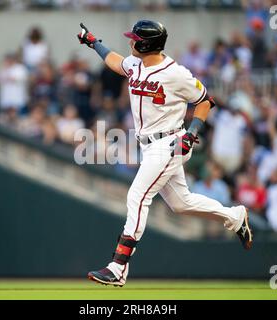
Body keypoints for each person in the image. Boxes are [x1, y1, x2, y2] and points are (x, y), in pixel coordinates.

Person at [77, 20, 253, 287]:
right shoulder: (136, 64)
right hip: (149, 146)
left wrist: (192, 133)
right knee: (181, 203)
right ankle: (234, 216)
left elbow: (205, 101)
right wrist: (93, 42)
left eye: (134, 38)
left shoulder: (176, 73)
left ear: (146, 44)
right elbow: (115, 62)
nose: (130, 41)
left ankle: (118, 266)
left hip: (170, 143)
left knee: (137, 195)